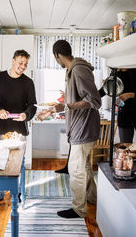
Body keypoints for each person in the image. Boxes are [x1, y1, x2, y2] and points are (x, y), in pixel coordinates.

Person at [38, 40, 101, 218]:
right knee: (84, 168)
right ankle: (93, 198)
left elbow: (94, 100)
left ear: (57, 55)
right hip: (80, 127)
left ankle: (79, 210)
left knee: (76, 170)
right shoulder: (71, 69)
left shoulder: (79, 70)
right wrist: (56, 107)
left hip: (84, 128)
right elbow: (77, 97)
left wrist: (65, 106)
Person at [0, 49, 37, 206]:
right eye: (20, 62)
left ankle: (19, 192)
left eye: (25, 64)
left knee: (19, 164)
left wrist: (26, 115)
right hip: (0, 129)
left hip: (19, 130)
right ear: (13, 60)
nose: (22, 66)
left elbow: (32, 104)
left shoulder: (28, 82)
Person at [99, 68, 136, 143]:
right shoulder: (115, 71)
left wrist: (131, 95)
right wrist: (91, 96)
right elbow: (105, 90)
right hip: (123, 113)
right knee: (125, 146)